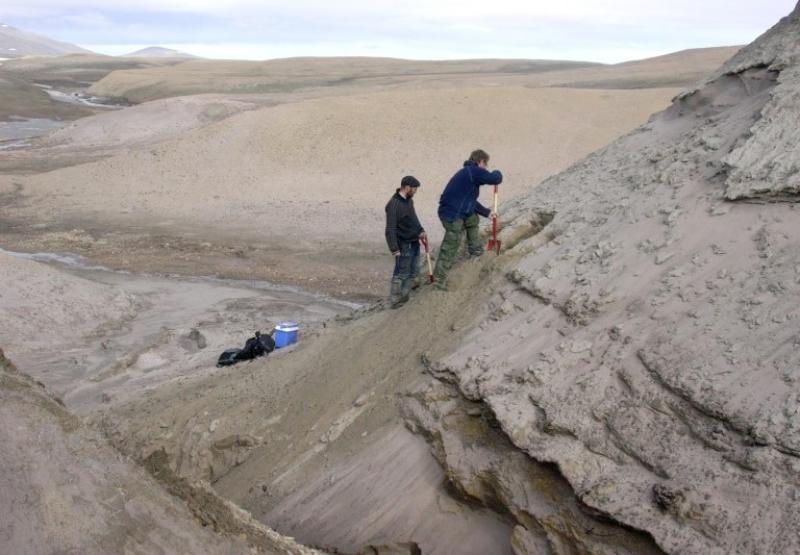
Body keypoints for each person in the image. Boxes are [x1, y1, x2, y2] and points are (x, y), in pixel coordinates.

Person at [432, 149, 502, 290]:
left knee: (472, 219)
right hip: (452, 215)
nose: (486, 167)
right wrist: (498, 172)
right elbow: (495, 178)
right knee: (451, 245)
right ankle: (438, 280)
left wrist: (487, 213)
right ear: (480, 161)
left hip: (457, 210)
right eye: (485, 164)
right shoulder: (473, 170)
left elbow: (470, 201)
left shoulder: (467, 174)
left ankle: (475, 249)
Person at [385, 175, 427, 308]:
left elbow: (413, 218)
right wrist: (394, 249)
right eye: (414, 189)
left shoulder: (409, 201)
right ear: (407, 187)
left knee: (413, 271)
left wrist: (421, 230)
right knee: (401, 273)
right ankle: (395, 301)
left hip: (414, 241)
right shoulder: (393, 205)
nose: (415, 192)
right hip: (402, 244)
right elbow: (390, 229)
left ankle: (405, 297)